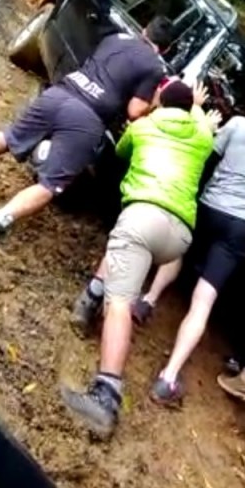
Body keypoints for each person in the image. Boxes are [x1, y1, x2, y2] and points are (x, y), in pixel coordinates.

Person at [0, 17, 173, 243]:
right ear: (166, 48)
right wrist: (154, 103)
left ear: (144, 30)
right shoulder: (154, 67)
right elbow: (134, 111)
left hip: (60, 93)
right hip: (87, 119)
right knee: (50, 185)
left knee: (10, 136)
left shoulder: (115, 38)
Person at [61, 79, 215, 439]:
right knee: (123, 249)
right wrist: (194, 105)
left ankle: (106, 394)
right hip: (178, 238)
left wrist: (152, 110)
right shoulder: (202, 136)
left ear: (161, 102)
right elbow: (199, 120)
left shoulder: (143, 127)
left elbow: (121, 152)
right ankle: (89, 299)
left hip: (143, 217)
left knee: (120, 299)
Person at [148, 87, 245, 405]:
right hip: (242, 226)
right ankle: (168, 378)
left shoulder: (237, 125)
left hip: (211, 207)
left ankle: (147, 300)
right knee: (204, 300)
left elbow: (207, 151)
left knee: (178, 249)